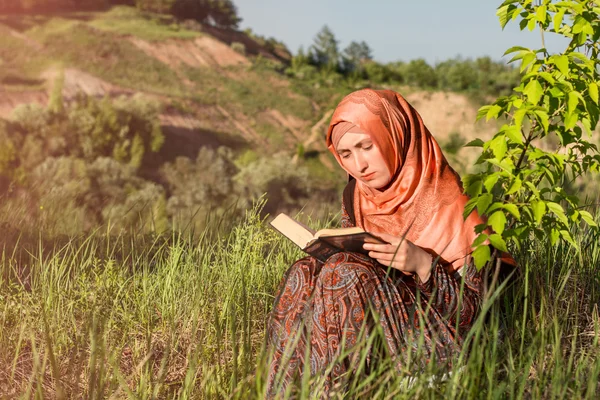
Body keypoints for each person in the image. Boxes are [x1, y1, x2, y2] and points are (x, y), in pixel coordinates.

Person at [266, 88, 515, 397]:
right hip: (379, 332)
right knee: (304, 270)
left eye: (366, 146)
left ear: (393, 135)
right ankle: (286, 393)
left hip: (441, 347)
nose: (359, 165)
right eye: (346, 154)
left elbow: (478, 318)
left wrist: (424, 264)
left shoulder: (454, 204)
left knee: (345, 270)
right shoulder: (355, 197)